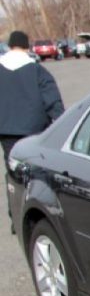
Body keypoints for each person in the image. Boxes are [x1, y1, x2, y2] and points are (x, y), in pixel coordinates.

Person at [1, 30, 64, 233]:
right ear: (27, 46)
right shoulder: (37, 71)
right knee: (36, 176)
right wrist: (61, 124)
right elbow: (53, 102)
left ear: (10, 46)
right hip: (35, 131)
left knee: (13, 174)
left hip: (7, 132)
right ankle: (37, 216)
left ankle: (16, 218)